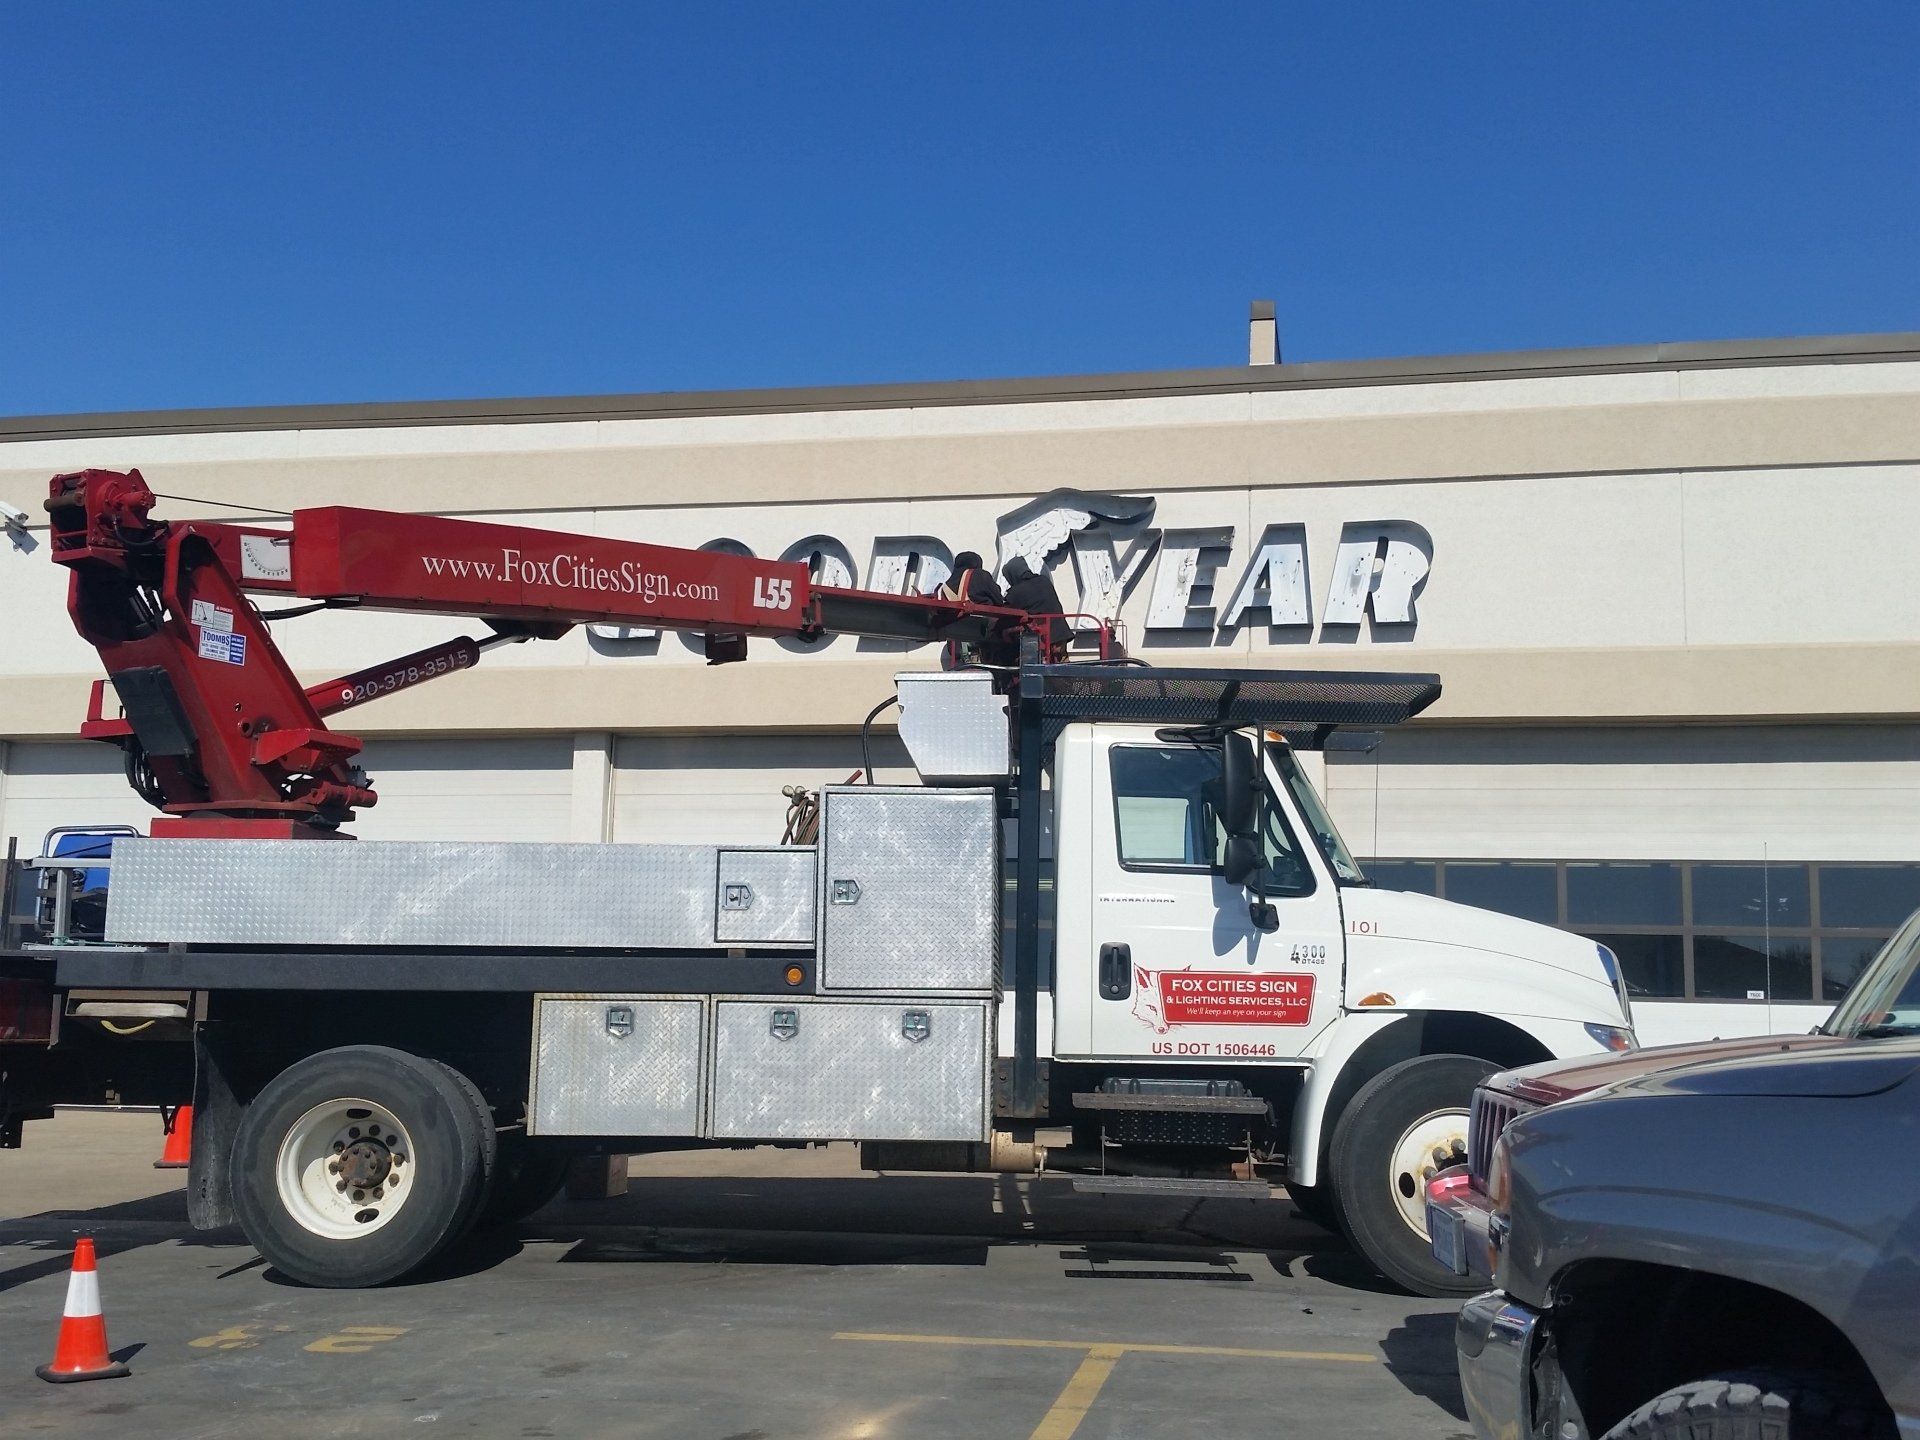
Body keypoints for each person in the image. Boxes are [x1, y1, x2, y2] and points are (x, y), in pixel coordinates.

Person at [1002, 555, 1073, 649]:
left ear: (1013, 574)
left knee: (1004, 632)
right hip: (1061, 634)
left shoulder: (1016, 591)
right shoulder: (1044, 581)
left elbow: (1006, 611)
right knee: (1061, 661)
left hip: (1041, 638)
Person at [938, 551, 1005, 606]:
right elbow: (998, 599)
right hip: (979, 618)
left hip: (951, 620)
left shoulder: (946, 584)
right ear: (976, 563)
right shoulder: (979, 575)